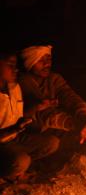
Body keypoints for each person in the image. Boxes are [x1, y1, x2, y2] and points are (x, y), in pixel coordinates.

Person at [18, 45, 86, 146]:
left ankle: (71, 158)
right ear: (30, 62)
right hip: (28, 130)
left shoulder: (53, 79)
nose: (46, 64)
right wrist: (76, 125)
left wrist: (85, 120)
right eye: (40, 60)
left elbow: (71, 98)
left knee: (75, 133)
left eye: (48, 59)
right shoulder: (23, 82)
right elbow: (44, 114)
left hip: (48, 126)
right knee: (56, 140)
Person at [0, 51, 59, 180]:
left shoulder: (14, 88)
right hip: (2, 144)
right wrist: (14, 129)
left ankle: (16, 168)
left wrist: (38, 107)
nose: (15, 69)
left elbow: (19, 116)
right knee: (22, 160)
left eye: (16, 65)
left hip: (15, 138)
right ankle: (8, 173)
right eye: (10, 65)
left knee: (52, 142)